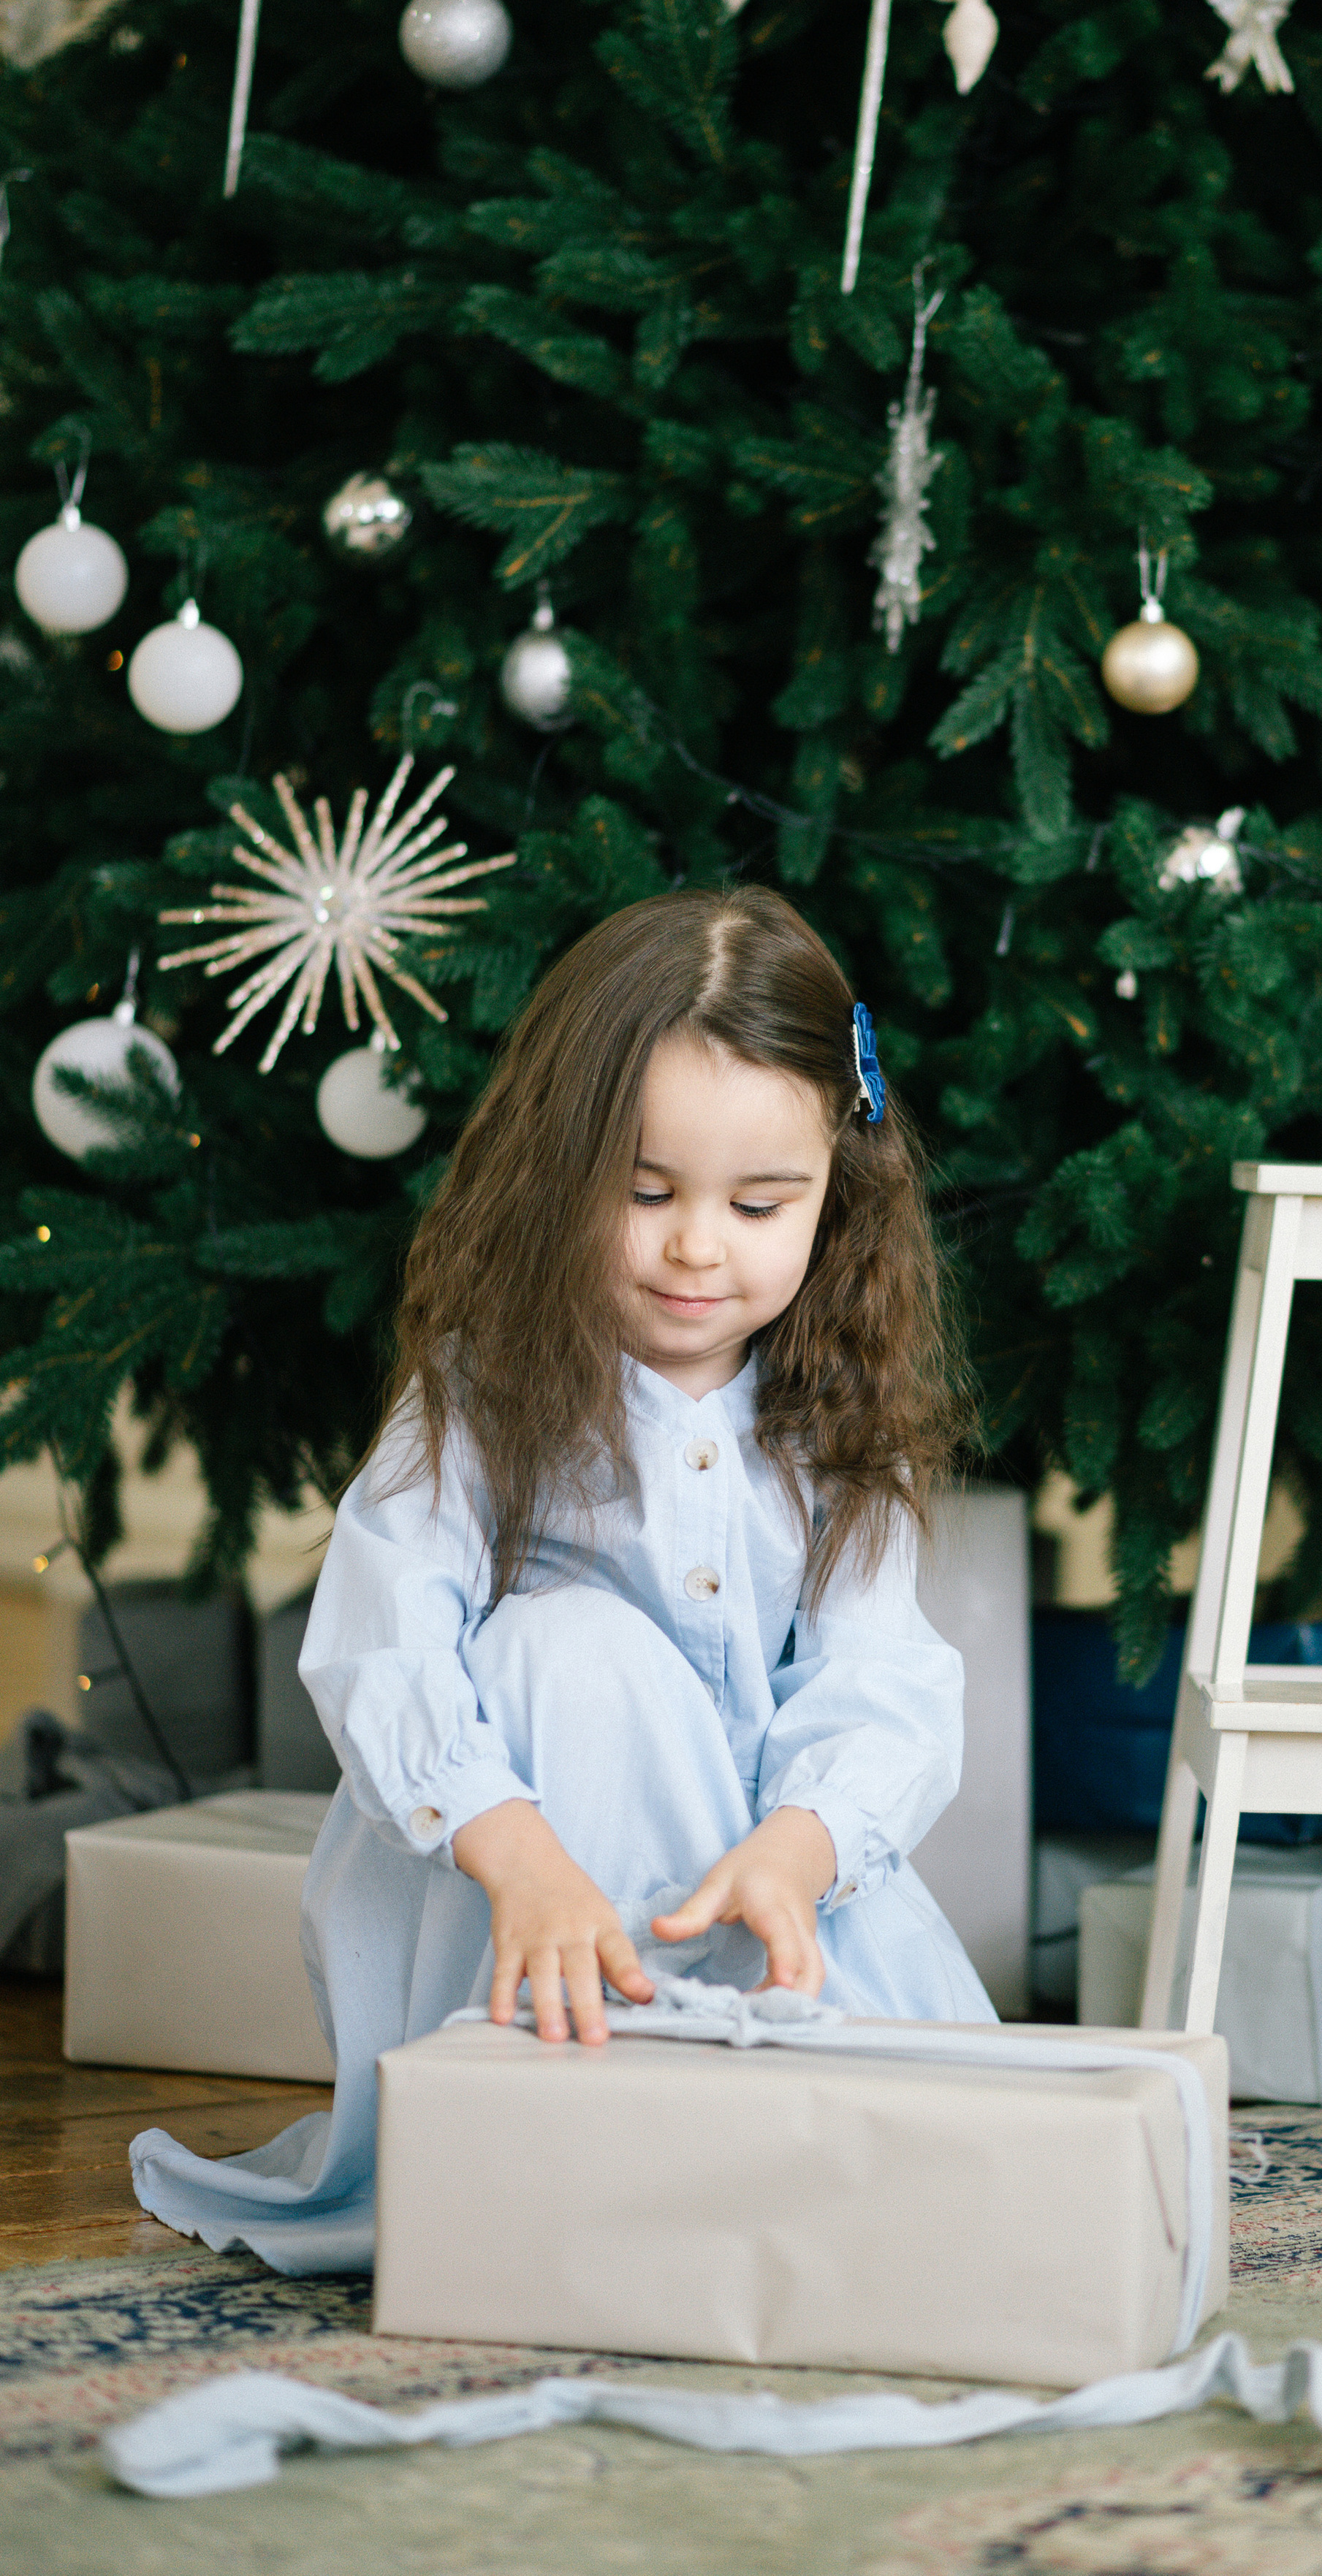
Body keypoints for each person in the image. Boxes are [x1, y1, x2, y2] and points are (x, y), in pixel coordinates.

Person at [131, 888, 995, 2274]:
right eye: (645, 1193)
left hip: (743, 1876)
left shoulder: (837, 1418)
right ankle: (583, 2128)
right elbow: (379, 1643)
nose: (697, 1246)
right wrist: (519, 1856)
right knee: (567, 1641)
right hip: (515, 1879)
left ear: (838, 1192)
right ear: (559, 1168)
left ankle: (748, 2114)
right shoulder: (486, 1391)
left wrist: (800, 1848)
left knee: (935, 2197)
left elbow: (881, 1685)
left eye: (759, 1203)